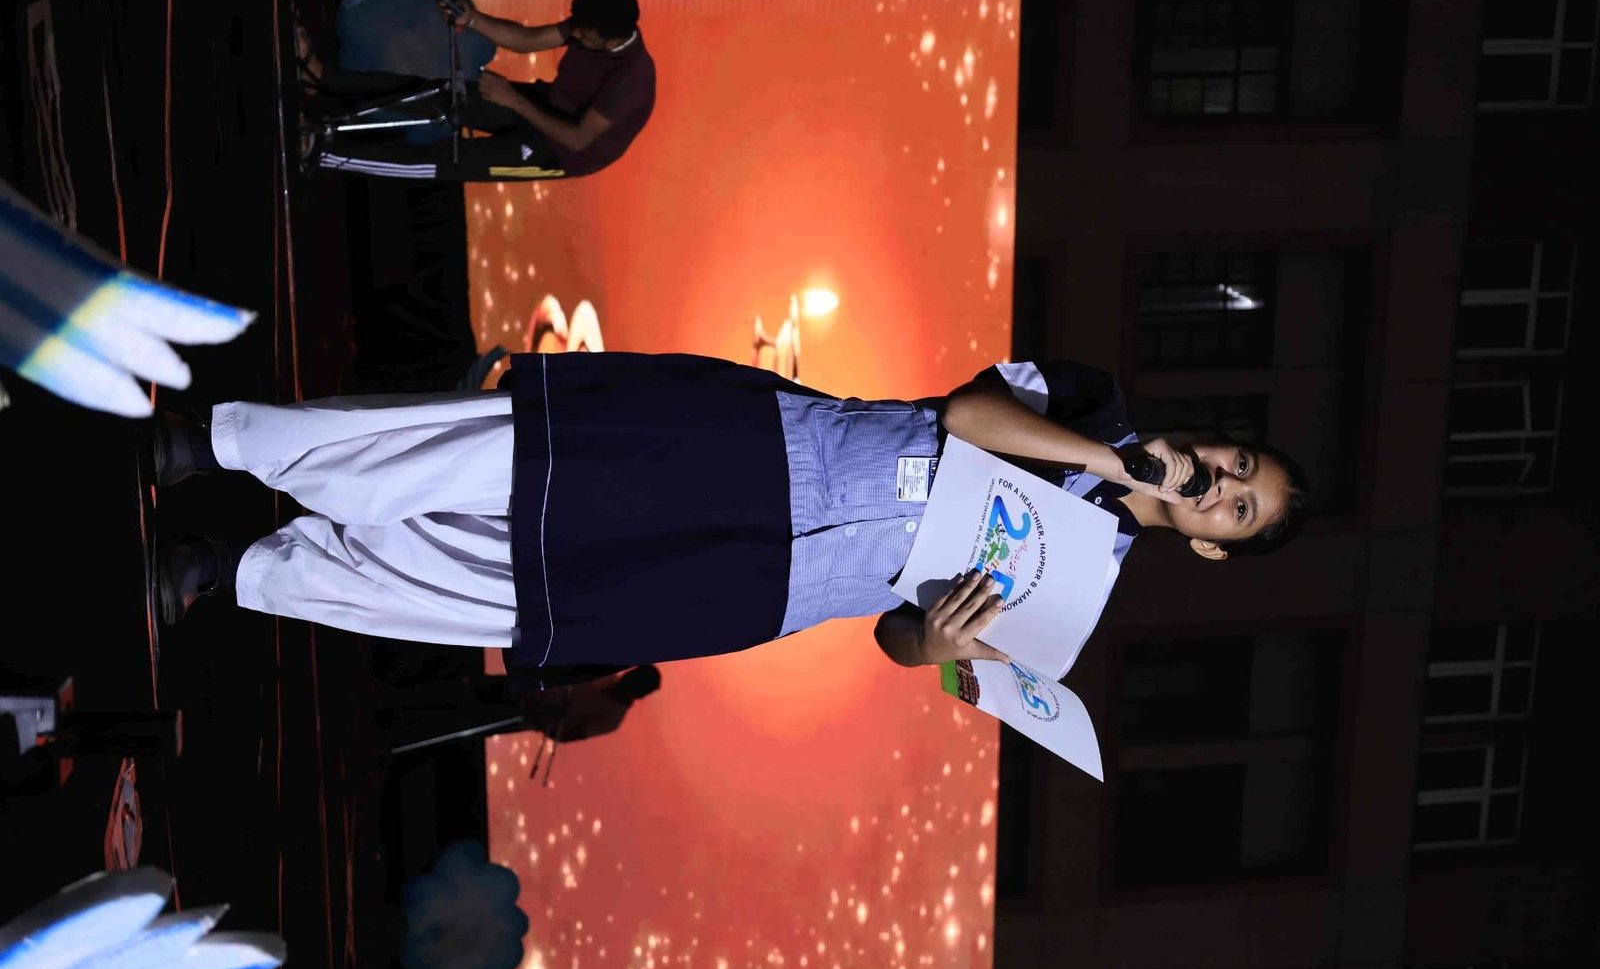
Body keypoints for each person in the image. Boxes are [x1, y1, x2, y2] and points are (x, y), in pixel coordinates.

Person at [150, 353, 1307, 688]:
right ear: (1218, 439)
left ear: (1212, 543)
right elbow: (968, 412)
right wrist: (1110, 456)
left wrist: (937, 644)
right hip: (766, 450)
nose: (1222, 484)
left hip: (767, 587)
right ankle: (227, 444)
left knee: (511, 590)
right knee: (500, 451)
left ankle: (240, 568)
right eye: (1237, 464)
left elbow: (897, 640)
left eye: (1239, 509)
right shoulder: (1094, 405)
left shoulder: (1069, 603)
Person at [307, 0, 654, 182]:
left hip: (562, 152)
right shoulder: (595, 26)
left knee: (442, 161)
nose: (574, 35)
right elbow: (528, 39)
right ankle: (322, 77)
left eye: (582, 35)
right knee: (437, 93)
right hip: (548, 105)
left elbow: (578, 139)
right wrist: (472, 19)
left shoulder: (630, 79)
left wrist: (514, 100)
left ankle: (318, 152)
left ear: (611, 41)